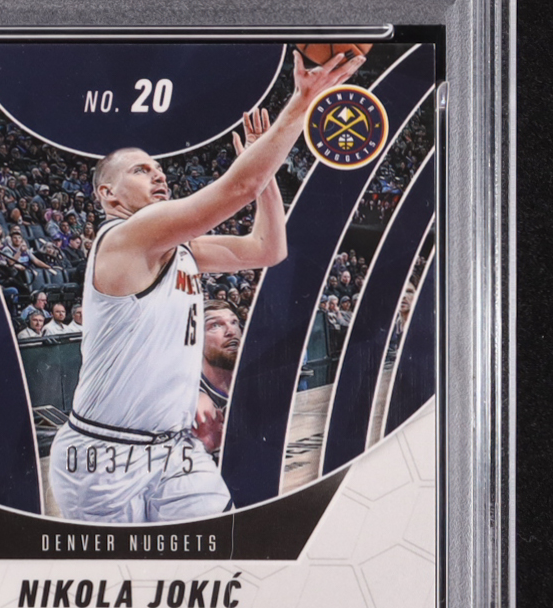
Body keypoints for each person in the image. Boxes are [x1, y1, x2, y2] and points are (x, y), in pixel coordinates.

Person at [49, 48, 365, 523]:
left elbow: (267, 249)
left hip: (173, 449)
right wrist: (302, 102)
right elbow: (236, 188)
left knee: (220, 550)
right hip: (103, 453)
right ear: (107, 194)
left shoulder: (181, 248)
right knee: (125, 570)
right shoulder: (123, 239)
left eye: (159, 169)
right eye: (140, 170)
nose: (158, 174)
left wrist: (265, 176)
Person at [194, 304, 243, 456]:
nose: (231, 331)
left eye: (234, 322)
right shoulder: (191, 396)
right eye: (215, 325)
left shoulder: (257, 383)